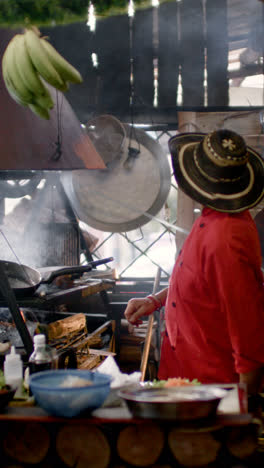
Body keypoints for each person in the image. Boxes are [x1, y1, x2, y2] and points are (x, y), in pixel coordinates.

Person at [124, 128, 264, 397]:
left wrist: (244, 416)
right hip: (183, 379)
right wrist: (155, 301)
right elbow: (200, 281)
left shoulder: (225, 238)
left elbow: (249, 341)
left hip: (212, 394)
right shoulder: (212, 217)